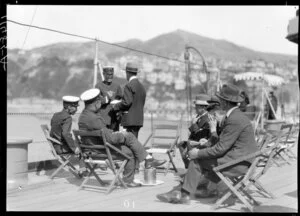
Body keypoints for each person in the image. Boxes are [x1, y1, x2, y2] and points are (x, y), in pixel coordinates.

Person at [156, 83, 259, 204]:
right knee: (206, 159)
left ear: (225, 102)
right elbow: (225, 143)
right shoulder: (236, 116)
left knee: (197, 161)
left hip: (239, 164)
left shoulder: (234, 119)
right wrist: (211, 141)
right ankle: (203, 189)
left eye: (220, 99)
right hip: (243, 160)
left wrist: (198, 153)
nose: (219, 102)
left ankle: (184, 195)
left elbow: (221, 148)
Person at [78, 88, 166, 187]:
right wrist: (122, 136)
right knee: (130, 149)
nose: (101, 104)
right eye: (100, 101)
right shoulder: (95, 118)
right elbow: (111, 139)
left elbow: (102, 133)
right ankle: (131, 177)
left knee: (128, 138)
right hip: (102, 152)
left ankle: (148, 159)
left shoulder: (82, 117)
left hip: (92, 150)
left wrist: (115, 133)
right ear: (97, 102)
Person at [50, 95, 87, 176]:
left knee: (78, 143)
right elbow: (66, 134)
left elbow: (54, 132)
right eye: (75, 107)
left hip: (55, 146)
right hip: (61, 148)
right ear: (69, 107)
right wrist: (74, 148)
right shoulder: (67, 118)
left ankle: (83, 168)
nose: (76, 110)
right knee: (82, 147)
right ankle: (83, 169)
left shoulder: (56, 115)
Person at [177, 94, 212, 169]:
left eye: (197, 106)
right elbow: (193, 133)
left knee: (184, 146)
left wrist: (194, 124)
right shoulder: (199, 116)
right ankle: (188, 166)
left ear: (203, 107)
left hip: (200, 143)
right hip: (194, 141)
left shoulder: (207, 118)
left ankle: (189, 167)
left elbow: (201, 135)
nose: (195, 108)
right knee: (181, 144)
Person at [112, 62, 146, 138]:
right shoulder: (141, 87)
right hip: (138, 120)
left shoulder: (129, 85)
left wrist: (115, 106)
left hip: (130, 120)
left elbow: (126, 102)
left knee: (130, 144)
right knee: (134, 142)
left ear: (128, 73)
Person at [95, 66, 123, 131]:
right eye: (108, 74)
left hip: (114, 118)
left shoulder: (117, 86)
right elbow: (96, 102)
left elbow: (120, 99)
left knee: (114, 137)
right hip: (103, 118)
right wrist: (106, 100)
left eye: (111, 74)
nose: (110, 76)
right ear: (103, 74)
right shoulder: (98, 86)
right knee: (104, 138)